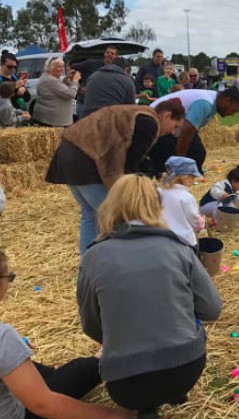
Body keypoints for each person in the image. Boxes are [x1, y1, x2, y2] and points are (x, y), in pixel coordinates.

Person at [77, 174, 222, 418]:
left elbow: (91, 325)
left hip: (126, 382)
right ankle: (174, 394)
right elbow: (212, 309)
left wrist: (122, 340)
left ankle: (146, 409)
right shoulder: (178, 248)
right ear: (157, 206)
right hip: (187, 366)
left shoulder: (93, 257)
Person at [0, 250, 132, 419]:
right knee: (69, 378)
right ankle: (99, 361)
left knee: (37, 369)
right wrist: (112, 415)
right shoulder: (4, 338)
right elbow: (44, 405)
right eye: (9, 277)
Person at [46, 101, 186, 255]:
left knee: (90, 215)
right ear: (167, 116)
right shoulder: (149, 123)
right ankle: (121, 262)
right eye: (175, 127)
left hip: (68, 153)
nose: (173, 132)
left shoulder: (136, 113)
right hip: (87, 160)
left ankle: (87, 263)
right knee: (118, 218)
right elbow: (130, 167)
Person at [148, 88, 239, 175]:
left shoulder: (211, 101)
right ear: (226, 101)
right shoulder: (205, 104)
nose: (232, 114)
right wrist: (179, 161)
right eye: (233, 110)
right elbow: (186, 131)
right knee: (194, 150)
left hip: (162, 128)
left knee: (197, 150)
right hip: (154, 128)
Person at [158, 156, 205, 248]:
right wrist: (201, 222)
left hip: (161, 238)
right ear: (185, 178)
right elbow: (193, 219)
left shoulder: (159, 191)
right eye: (193, 177)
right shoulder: (186, 197)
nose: (194, 180)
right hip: (183, 241)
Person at [72, 45, 118, 118]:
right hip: (84, 103)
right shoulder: (91, 63)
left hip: (103, 105)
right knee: (83, 127)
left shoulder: (116, 70)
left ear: (115, 56)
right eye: (108, 52)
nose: (109, 54)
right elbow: (72, 68)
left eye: (112, 53)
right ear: (104, 54)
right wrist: (77, 85)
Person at [32, 57, 79, 127]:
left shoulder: (49, 77)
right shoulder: (51, 80)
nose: (62, 69)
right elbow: (71, 94)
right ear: (51, 67)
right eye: (59, 67)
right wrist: (75, 82)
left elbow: (59, 88)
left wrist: (66, 79)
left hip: (51, 118)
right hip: (53, 120)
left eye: (63, 66)